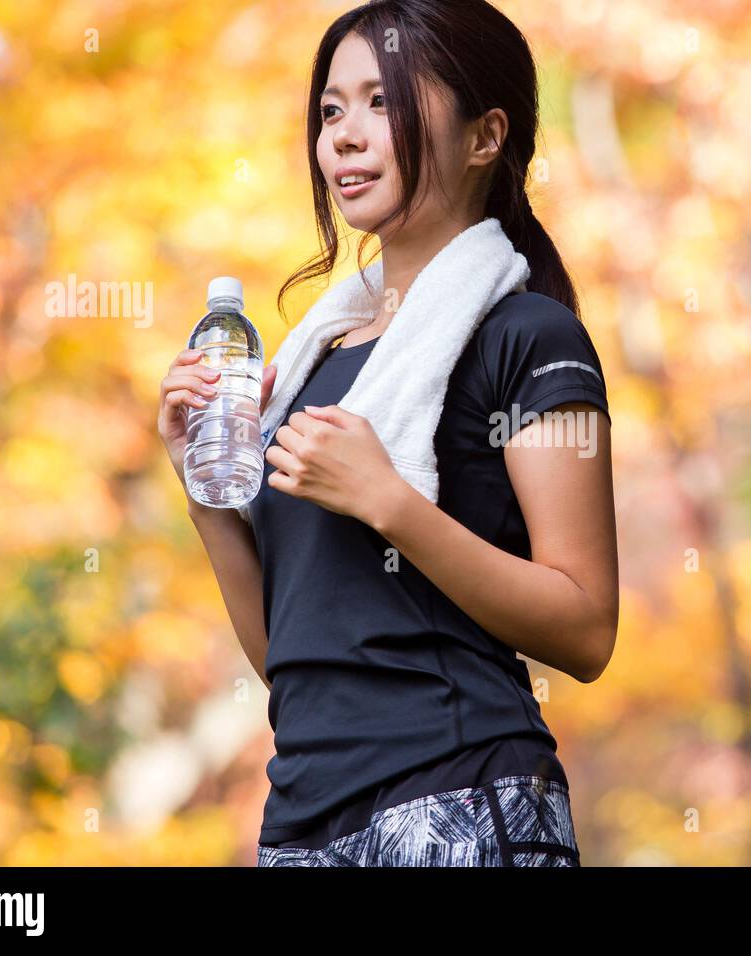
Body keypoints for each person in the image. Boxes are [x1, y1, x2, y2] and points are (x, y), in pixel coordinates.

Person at [155, 0, 618, 867]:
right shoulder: (306, 366)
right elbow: (293, 663)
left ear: (484, 136)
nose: (345, 136)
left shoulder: (526, 337)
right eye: (332, 110)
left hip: (463, 796)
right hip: (302, 823)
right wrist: (208, 496)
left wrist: (390, 502)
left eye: (383, 101)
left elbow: (587, 628)